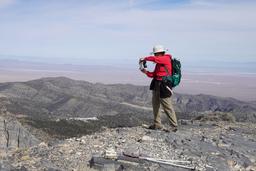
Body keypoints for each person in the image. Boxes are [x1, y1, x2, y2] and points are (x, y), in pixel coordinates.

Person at [140, 45, 178, 132]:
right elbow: (154, 75)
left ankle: (174, 126)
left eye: (156, 54)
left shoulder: (166, 58)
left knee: (167, 105)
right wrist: (145, 72)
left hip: (164, 85)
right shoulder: (159, 62)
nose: (155, 56)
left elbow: (154, 59)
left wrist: (144, 58)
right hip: (157, 84)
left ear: (160, 53)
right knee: (155, 104)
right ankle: (157, 124)